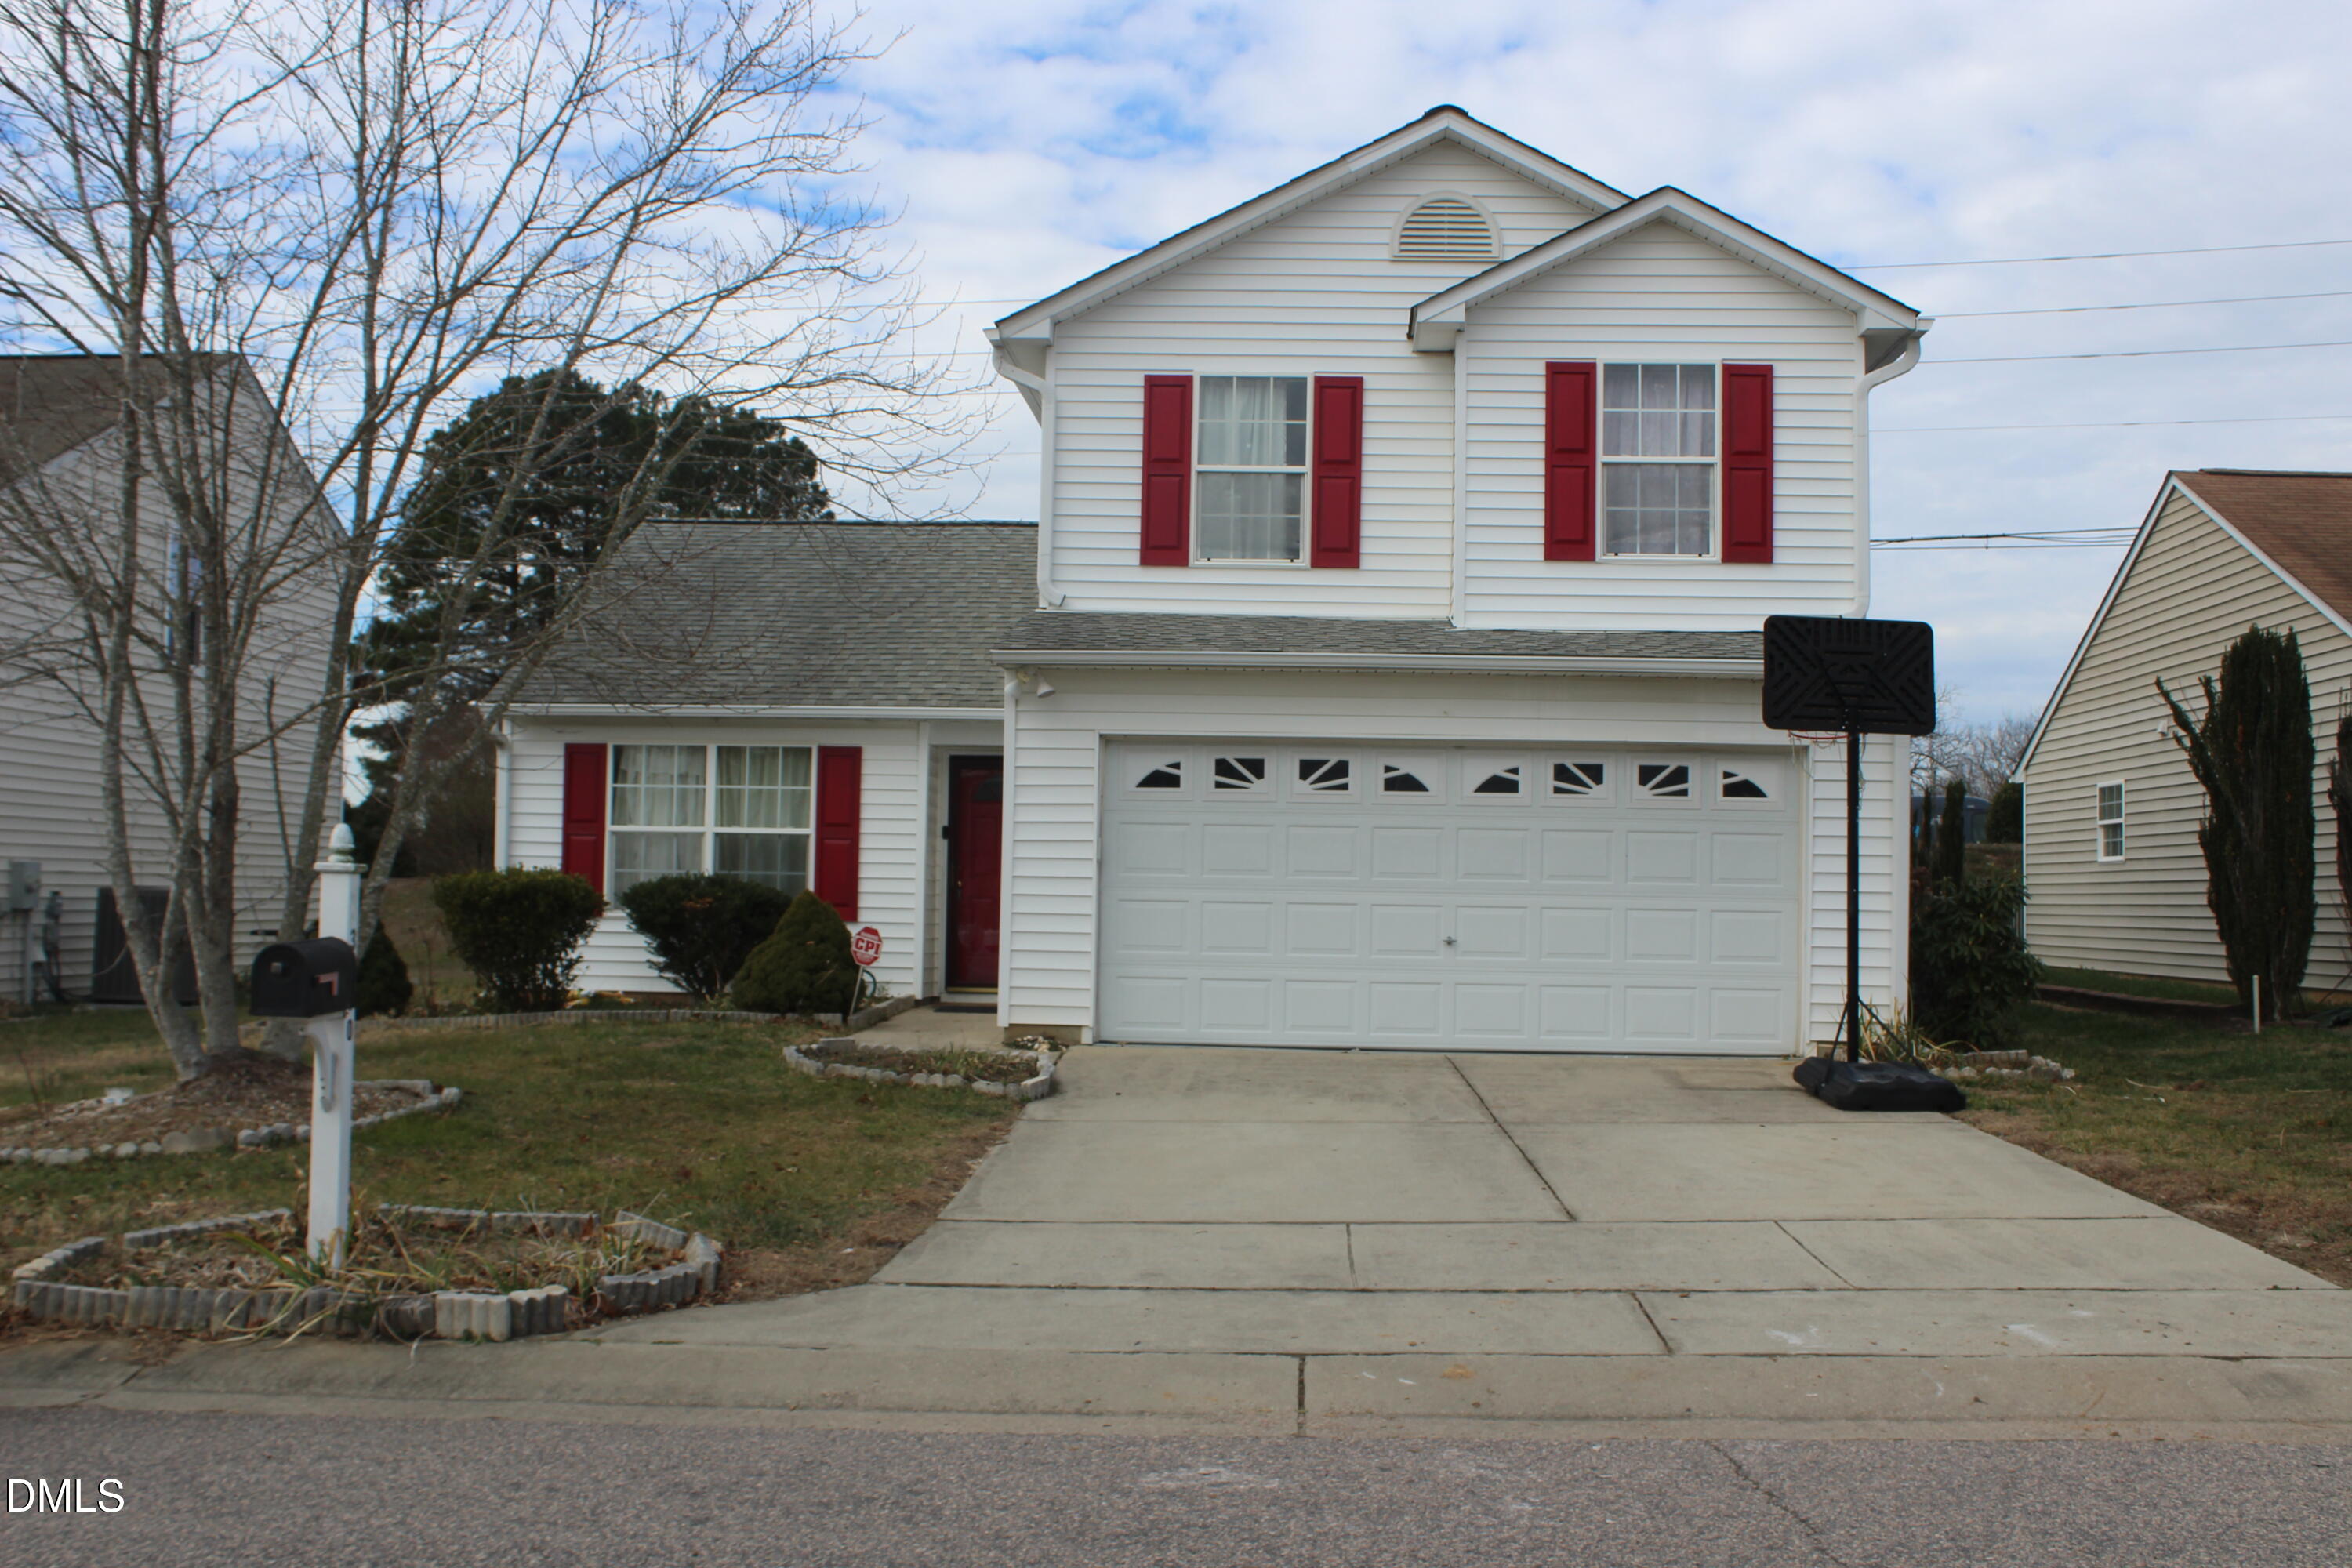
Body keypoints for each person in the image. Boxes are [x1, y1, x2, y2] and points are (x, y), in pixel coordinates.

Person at [35, 889, 65, 1004]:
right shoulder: (49, 922)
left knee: (52, 969)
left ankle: (56, 994)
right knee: (49, 968)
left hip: (51, 941)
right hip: (49, 941)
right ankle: (55, 994)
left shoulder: (52, 920)